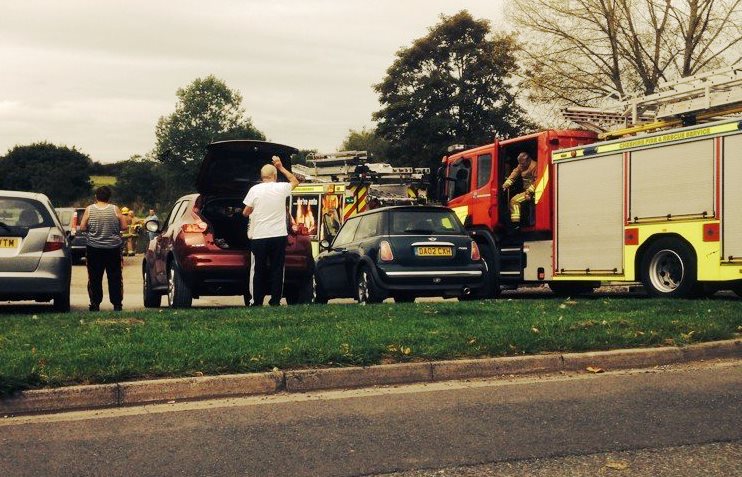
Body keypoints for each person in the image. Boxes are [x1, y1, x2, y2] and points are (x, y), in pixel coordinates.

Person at [242, 156, 299, 306]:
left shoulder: (254, 190)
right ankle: (275, 300)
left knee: (258, 269)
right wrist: (281, 167)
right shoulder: (281, 188)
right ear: (274, 175)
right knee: (277, 269)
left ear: (261, 177)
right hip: (278, 236)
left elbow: (246, 212)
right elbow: (294, 181)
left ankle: (256, 301)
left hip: (260, 236)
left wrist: (255, 208)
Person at [80, 186, 127, 311]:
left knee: (94, 277)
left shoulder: (89, 209)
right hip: (113, 249)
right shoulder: (115, 209)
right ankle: (117, 304)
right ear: (109, 197)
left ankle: (95, 303)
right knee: (115, 276)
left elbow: (82, 227)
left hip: (94, 248)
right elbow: (124, 226)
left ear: (96, 197)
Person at [502, 152, 538, 227]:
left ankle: (515, 224)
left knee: (514, 201)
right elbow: (514, 174)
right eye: (520, 164)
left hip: (535, 192)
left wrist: (529, 192)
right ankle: (528, 223)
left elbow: (537, 181)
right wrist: (506, 185)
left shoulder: (534, 166)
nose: (521, 165)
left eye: (522, 163)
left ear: (528, 160)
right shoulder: (522, 165)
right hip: (528, 191)